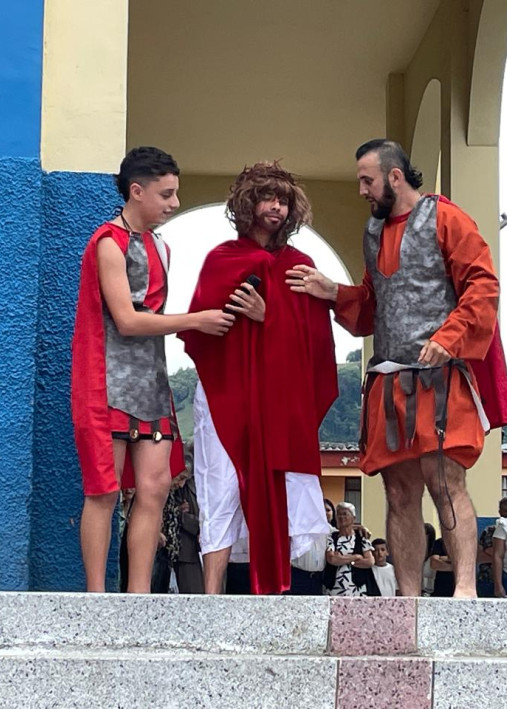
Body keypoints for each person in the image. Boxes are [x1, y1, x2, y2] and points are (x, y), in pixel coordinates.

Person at [287, 139, 507, 598]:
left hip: (440, 378)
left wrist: (447, 339)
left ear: (394, 177)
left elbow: (483, 286)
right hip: (389, 377)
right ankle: (407, 599)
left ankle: (465, 590)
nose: (361, 191)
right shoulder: (373, 234)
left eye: (366, 180)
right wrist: (333, 291)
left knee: (445, 483)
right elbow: (375, 306)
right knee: (398, 493)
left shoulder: (447, 218)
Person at [71, 147, 234, 593]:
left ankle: (138, 596)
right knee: (104, 492)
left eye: (176, 193)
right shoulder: (109, 241)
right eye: (166, 194)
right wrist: (195, 319)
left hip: (152, 383)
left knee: (155, 489)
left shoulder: (161, 245)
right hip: (107, 382)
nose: (174, 203)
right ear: (136, 191)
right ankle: (96, 595)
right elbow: (127, 319)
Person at [179, 162, 338, 595]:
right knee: (220, 484)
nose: (276, 207)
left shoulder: (300, 266)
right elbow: (200, 329)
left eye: (284, 200)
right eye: (268, 198)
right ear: (248, 204)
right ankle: (211, 594)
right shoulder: (222, 259)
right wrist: (236, 317)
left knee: (280, 487)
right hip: (227, 391)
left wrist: (268, 317)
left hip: (278, 400)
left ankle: (275, 590)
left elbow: (317, 344)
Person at [323, 502, 374, 596]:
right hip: (335, 589)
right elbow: (332, 559)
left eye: (345, 514)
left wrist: (344, 560)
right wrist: (355, 557)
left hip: (357, 590)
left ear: (353, 518)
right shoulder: (332, 537)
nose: (341, 517)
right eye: (339, 514)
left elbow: (369, 562)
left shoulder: (360, 536)